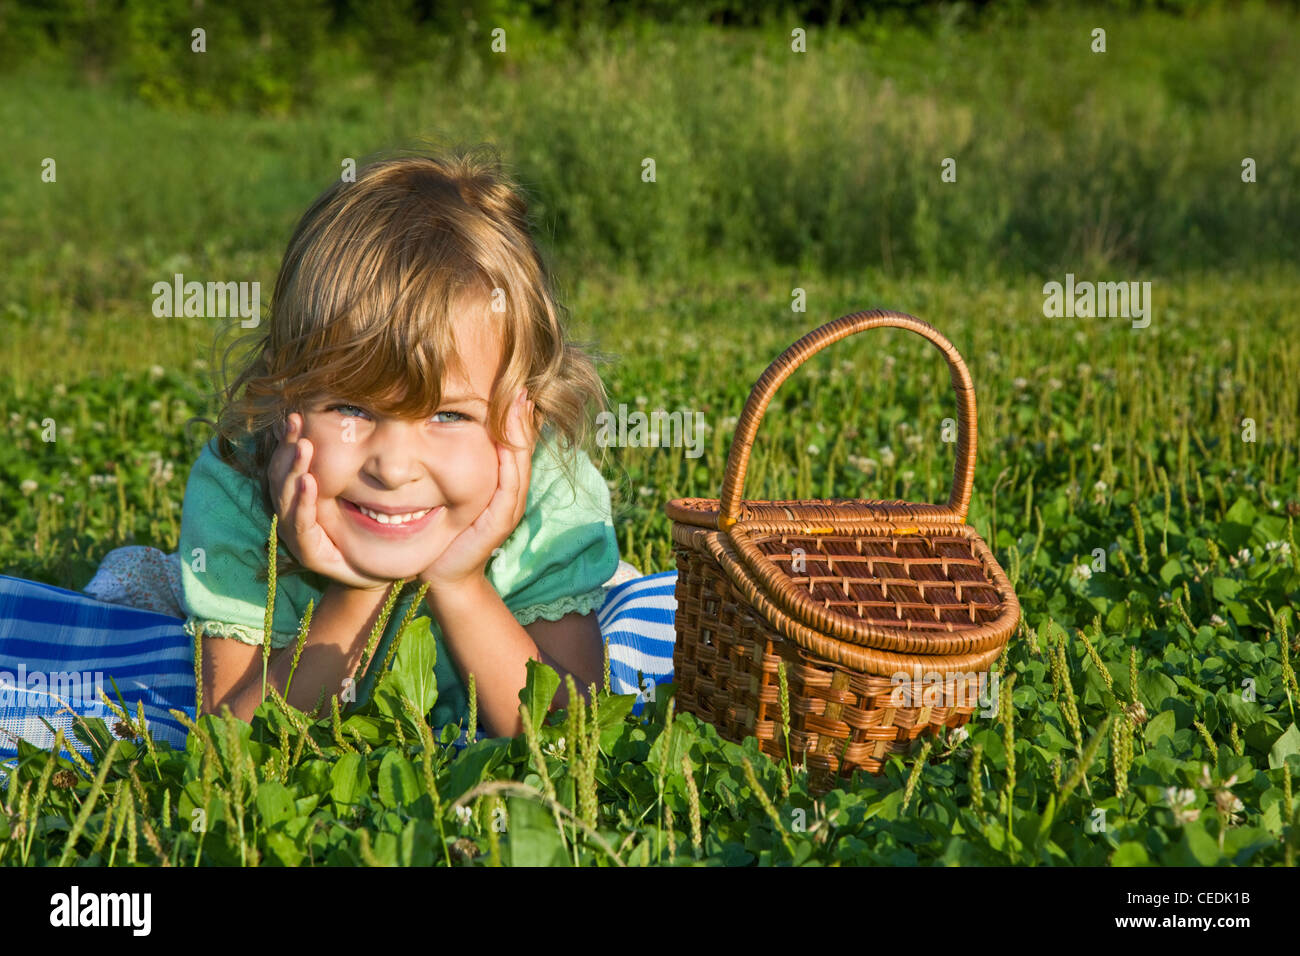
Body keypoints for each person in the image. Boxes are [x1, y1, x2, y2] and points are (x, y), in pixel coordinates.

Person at [0, 146, 679, 775]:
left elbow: (571, 739)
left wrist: (463, 582)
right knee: (143, 588)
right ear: (284, 390)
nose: (393, 465)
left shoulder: (549, 498)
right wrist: (357, 590)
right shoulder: (239, 493)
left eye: (449, 415)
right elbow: (228, 753)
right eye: (352, 410)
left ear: (521, 420)